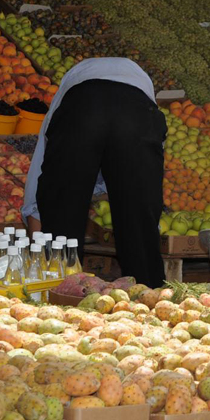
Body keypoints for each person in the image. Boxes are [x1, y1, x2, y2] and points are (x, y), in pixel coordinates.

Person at [22, 57, 165, 286]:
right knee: (139, 227)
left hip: (82, 107)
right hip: (134, 113)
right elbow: (145, 191)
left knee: (62, 214)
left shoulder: (68, 94)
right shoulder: (142, 93)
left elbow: (43, 174)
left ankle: (58, 287)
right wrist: (147, 225)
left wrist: (39, 242)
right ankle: (147, 294)